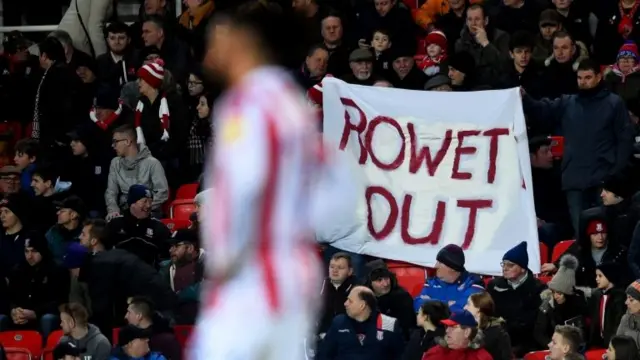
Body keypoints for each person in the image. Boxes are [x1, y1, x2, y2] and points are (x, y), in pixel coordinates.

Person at [190, 1, 354, 359]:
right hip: (291, 279)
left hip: (253, 284)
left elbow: (242, 194)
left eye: (220, 33)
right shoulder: (288, 101)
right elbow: (340, 195)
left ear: (247, 40)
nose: (212, 44)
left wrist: (229, 261)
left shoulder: (247, 104)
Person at [522, 58, 635, 234]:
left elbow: (625, 139)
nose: (583, 82)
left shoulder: (614, 103)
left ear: (598, 77)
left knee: (607, 232)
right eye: (580, 78)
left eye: (588, 77)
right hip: (575, 181)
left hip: (603, 180)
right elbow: (542, 110)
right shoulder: (568, 103)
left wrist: (615, 173)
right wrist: (525, 99)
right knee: (581, 235)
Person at [316, 286, 404, 360]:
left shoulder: (389, 324)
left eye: (350, 301)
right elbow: (324, 354)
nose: (345, 303)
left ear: (362, 305)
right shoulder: (339, 322)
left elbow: (399, 356)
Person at [414, 244, 484, 313]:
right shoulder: (431, 282)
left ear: (452, 268)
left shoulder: (474, 283)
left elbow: (465, 310)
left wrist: (430, 302)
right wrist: (448, 304)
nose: (435, 266)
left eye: (440, 263)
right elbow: (417, 304)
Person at [421, 311, 493, 360]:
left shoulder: (482, 358)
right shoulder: (434, 353)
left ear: (467, 332)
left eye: (453, 327)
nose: (447, 331)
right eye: (447, 326)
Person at [589, 263, 627, 348]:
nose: (596, 279)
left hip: (612, 344)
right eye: (596, 276)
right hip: (597, 343)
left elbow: (618, 324)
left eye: (600, 276)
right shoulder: (597, 295)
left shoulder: (620, 297)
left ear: (609, 276)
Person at [464, 292, 512, 360]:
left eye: (468, 304)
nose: (464, 307)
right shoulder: (465, 328)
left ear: (478, 308)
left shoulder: (499, 333)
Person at [617, 280, 640, 347]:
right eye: (627, 298)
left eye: (631, 300)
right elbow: (617, 344)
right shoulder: (626, 318)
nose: (626, 302)